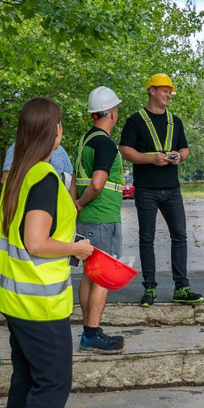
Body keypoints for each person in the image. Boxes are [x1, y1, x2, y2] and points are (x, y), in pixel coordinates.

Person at [0, 97, 92, 408]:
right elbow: (36, 242)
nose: (63, 131)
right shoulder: (45, 176)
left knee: (27, 381)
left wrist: (66, 239)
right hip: (38, 303)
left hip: (16, 299)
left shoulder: (20, 174)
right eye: (61, 125)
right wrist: (77, 248)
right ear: (54, 132)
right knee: (53, 385)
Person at [119, 73, 204, 306]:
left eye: (170, 91)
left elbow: (185, 149)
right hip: (146, 189)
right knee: (147, 239)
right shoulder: (135, 120)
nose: (168, 94)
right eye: (164, 90)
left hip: (172, 189)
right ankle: (149, 289)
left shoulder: (174, 120)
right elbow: (125, 150)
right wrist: (150, 159)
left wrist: (179, 156)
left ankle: (182, 288)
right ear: (151, 91)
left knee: (180, 237)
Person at [74, 87, 127, 353]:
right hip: (103, 217)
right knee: (102, 277)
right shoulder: (105, 143)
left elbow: (75, 181)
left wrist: (75, 206)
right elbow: (96, 184)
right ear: (112, 113)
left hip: (86, 220)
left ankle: (88, 330)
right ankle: (92, 334)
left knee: (88, 275)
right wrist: (82, 202)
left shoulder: (83, 140)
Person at [3, 141, 75, 198]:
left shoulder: (60, 150)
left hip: (57, 201)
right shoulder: (17, 147)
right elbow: (5, 179)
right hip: (29, 202)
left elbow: (70, 177)